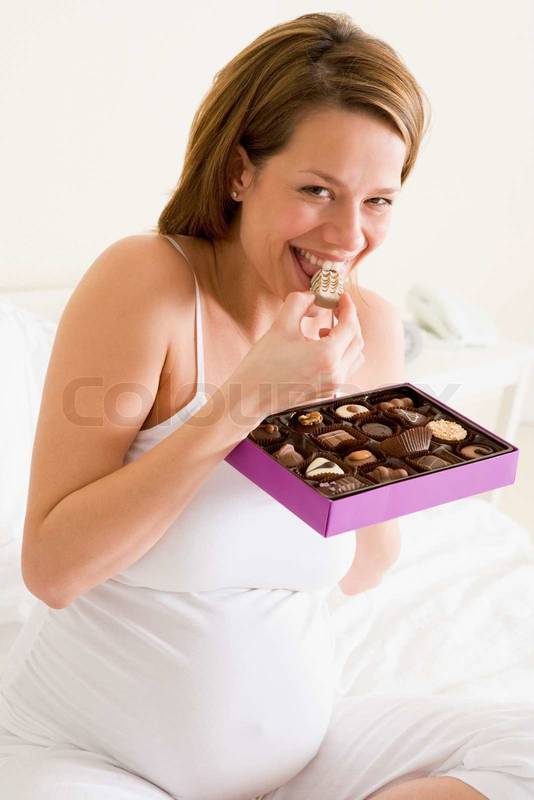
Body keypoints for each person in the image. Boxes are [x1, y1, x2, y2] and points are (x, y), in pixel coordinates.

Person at [1, 11, 532, 800]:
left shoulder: (372, 329)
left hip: (301, 762)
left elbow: (365, 569)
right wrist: (248, 400)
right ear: (239, 173)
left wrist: (359, 430)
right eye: (317, 191)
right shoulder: (147, 282)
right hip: (92, 755)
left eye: (378, 201)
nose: (347, 235)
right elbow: (52, 569)